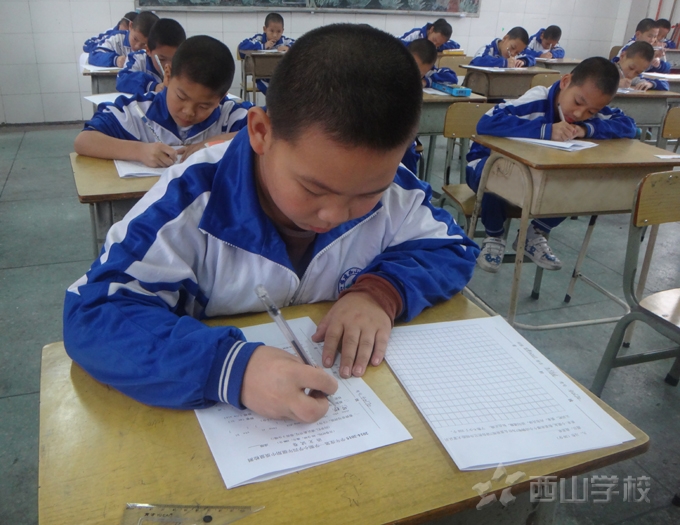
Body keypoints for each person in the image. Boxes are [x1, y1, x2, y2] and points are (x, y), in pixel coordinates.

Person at [63, 24, 478, 423]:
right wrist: (231, 368)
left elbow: (451, 247)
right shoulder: (191, 199)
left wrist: (379, 293)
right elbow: (95, 311)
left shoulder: (394, 189)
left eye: (367, 194)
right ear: (261, 132)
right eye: (313, 189)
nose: (335, 215)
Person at [466, 57, 637, 273]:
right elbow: (486, 122)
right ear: (565, 82)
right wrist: (545, 130)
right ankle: (494, 235)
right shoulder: (537, 99)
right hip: (484, 167)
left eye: (591, 112)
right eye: (578, 102)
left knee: (580, 179)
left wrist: (587, 128)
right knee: (499, 173)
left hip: (535, 177)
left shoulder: (591, 109)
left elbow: (629, 126)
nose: (579, 114)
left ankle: (535, 233)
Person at [75, 36, 253, 168]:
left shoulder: (228, 115)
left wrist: (214, 142)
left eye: (204, 106)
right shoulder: (138, 110)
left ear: (221, 97)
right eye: (181, 97)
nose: (188, 112)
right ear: (168, 76)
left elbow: (267, 129)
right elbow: (84, 141)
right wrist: (140, 151)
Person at [116, 18, 186, 95]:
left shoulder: (185, 64)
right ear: (148, 50)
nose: (168, 65)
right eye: (162, 59)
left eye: (174, 59)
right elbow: (122, 79)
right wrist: (152, 86)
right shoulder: (138, 59)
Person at [238, 13, 295, 95]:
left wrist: (288, 47)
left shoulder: (284, 41)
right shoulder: (259, 38)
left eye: (278, 32)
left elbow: (299, 44)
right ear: (265, 29)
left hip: (279, 76)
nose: (275, 35)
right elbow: (242, 47)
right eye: (271, 31)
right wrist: (263, 46)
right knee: (273, 93)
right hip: (261, 76)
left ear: (282, 31)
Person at [88, 11, 159, 68]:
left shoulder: (155, 44)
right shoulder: (117, 38)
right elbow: (94, 55)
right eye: (135, 39)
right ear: (130, 26)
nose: (137, 46)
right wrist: (115, 60)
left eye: (144, 44)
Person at [470, 27, 535, 68]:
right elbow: (476, 61)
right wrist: (504, 62)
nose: (513, 53)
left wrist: (524, 61)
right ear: (505, 38)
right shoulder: (487, 49)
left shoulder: (516, 55)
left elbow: (532, 59)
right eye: (512, 47)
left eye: (517, 52)